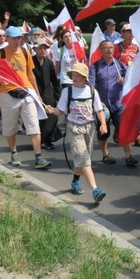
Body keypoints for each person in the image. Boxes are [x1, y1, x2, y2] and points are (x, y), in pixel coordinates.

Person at [0, 26, 52, 170]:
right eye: (14, 38)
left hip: (26, 92)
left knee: (33, 125)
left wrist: (36, 93)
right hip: (8, 93)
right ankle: (14, 154)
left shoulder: (25, 52)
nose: (18, 41)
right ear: (7, 38)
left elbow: (30, 74)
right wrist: (1, 81)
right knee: (10, 126)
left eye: (19, 38)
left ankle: (39, 157)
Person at [47, 62, 107, 204]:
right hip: (74, 128)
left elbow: (99, 110)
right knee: (84, 158)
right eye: (73, 74)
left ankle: (75, 181)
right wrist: (51, 110)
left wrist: (103, 124)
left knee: (83, 158)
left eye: (78, 75)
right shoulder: (67, 92)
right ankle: (95, 190)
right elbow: (60, 111)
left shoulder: (92, 92)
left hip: (89, 127)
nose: (74, 77)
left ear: (85, 77)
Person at [90, 40, 137, 167]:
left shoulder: (120, 65)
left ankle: (128, 156)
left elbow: (131, 80)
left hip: (118, 104)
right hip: (102, 106)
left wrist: (124, 81)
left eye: (111, 47)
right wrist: (97, 101)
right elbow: (91, 86)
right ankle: (105, 154)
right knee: (103, 131)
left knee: (124, 129)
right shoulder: (95, 66)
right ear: (100, 50)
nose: (109, 50)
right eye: (106, 48)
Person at [32, 37, 61, 150]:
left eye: (44, 48)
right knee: (39, 119)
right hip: (36, 94)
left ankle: (48, 140)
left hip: (49, 94)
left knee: (52, 116)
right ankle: (41, 140)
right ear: (35, 49)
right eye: (40, 48)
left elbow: (54, 80)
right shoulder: (31, 62)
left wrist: (58, 96)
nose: (42, 51)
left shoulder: (49, 62)